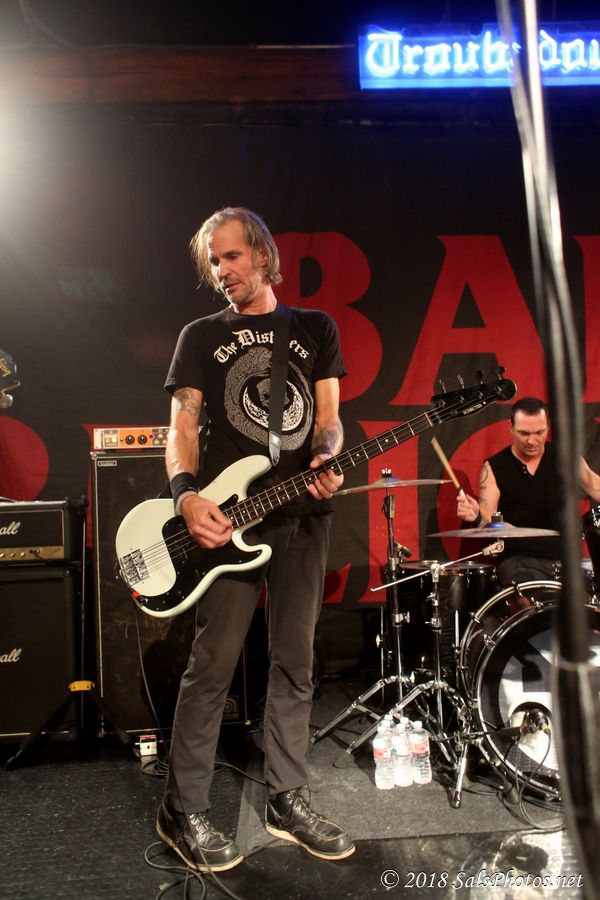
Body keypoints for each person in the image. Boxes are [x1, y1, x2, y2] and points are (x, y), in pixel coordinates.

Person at [156, 206, 355, 872]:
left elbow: (329, 419)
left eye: (231, 256)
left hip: (303, 516)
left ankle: (286, 799)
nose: (221, 271)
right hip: (230, 519)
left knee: (295, 662)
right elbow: (182, 427)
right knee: (213, 666)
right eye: (213, 261)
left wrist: (328, 455)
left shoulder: (314, 327)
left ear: (263, 256)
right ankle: (182, 809)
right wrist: (187, 496)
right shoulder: (200, 336)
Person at [457, 396, 600, 587]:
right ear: (510, 427)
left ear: (548, 427)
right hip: (519, 561)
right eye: (524, 433)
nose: (532, 441)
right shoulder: (494, 467)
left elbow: (595, 487)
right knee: (537, 601)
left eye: (539, 432)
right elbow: (487, 519)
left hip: (565, 559)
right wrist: (475, 515)